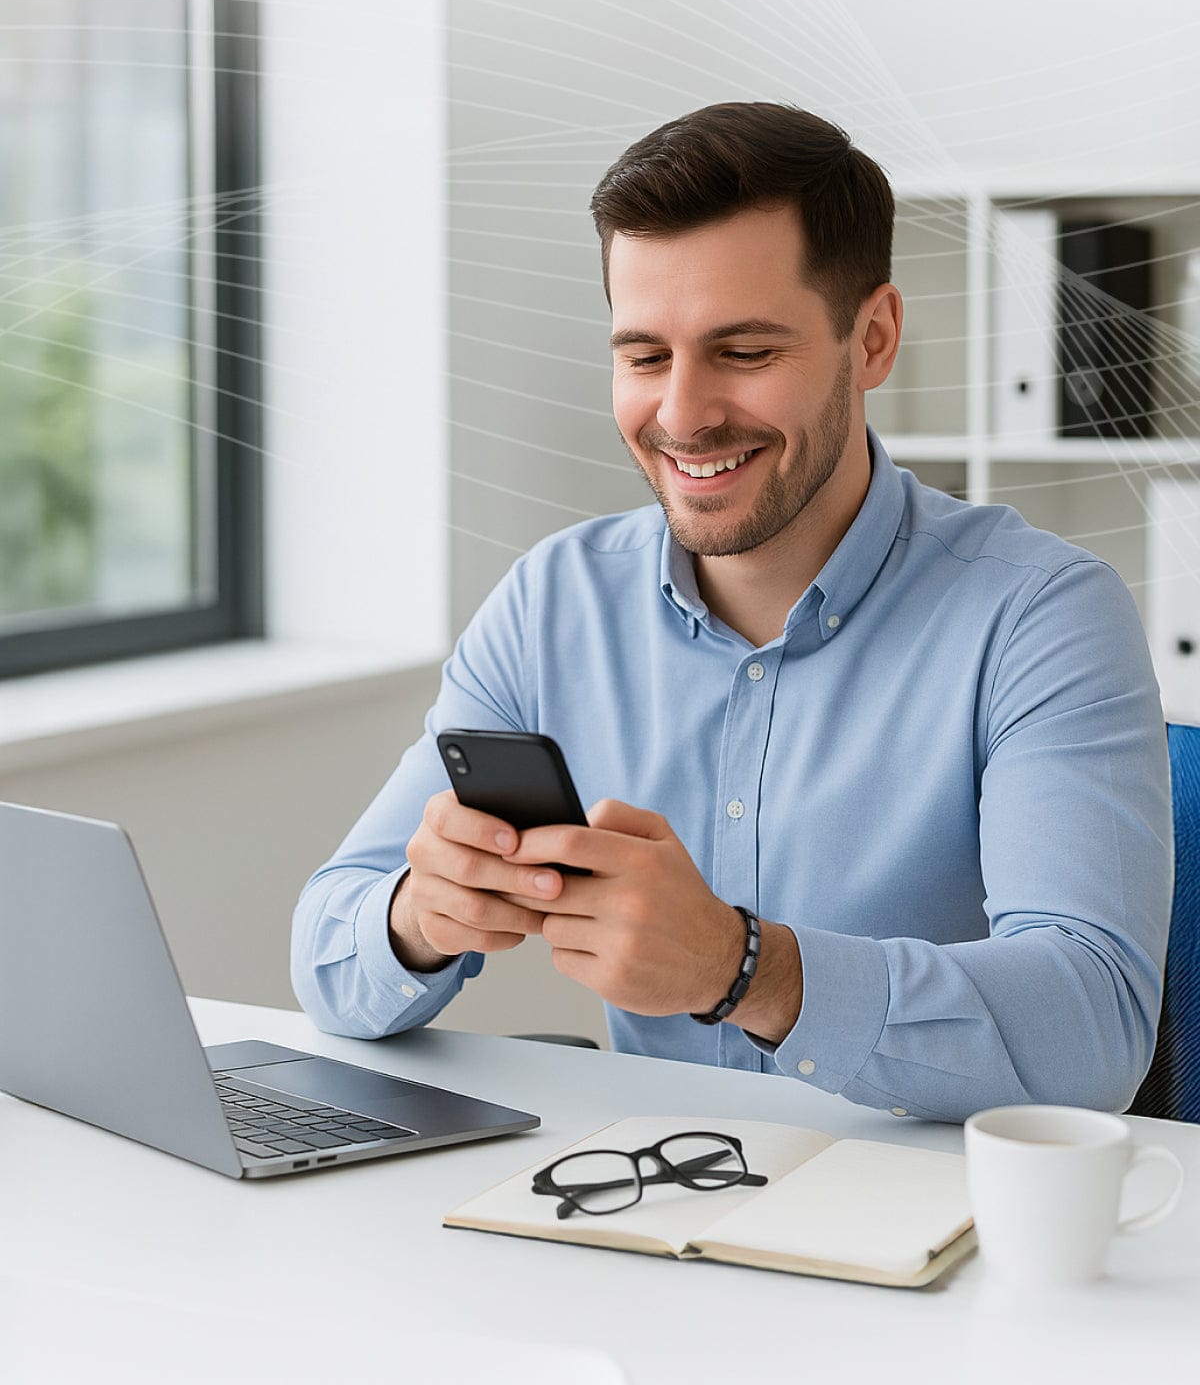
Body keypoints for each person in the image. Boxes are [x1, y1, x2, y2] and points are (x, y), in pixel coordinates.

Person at [291, 102, 1171, 1123]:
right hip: (655, 1195)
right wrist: (417, 918)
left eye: (744, 353)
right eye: (644, 356)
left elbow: (1093, 1032)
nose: (682, 414)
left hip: (937, 1229)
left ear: (872, 337)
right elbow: (329, 954)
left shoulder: (1039, 614)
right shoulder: (552, 603)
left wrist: (748, 969)